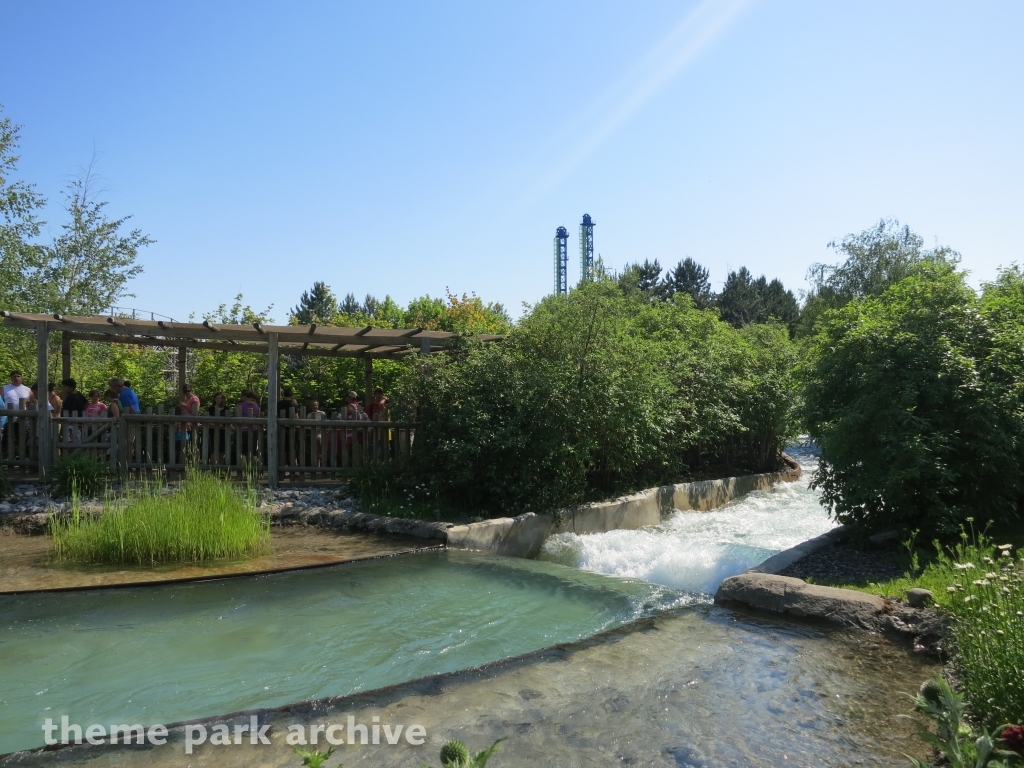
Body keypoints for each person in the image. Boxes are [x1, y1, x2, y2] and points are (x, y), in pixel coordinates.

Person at [2, 371, 32, 455]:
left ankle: (25, 457)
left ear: (21, 378)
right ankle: (6, 458)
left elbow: (32, 402)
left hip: (22, 418)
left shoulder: (27, 389)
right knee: (6, 439)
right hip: (9, 418)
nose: (16, 378)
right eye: (14, 376)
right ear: (11, 378)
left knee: (23, 440)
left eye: (18, 376)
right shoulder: (5, 388)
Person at [175, 383, 201, 461]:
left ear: (191, 390)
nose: (187, 393)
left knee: (194, 444)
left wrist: (185, 407)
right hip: (186, 424)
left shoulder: (194, 399)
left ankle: (197, 462)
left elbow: (195, 412)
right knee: (186, 445)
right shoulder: (187, 399)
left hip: (192, 424)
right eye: (185, 391)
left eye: (188, 391)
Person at [206, 392, 230, 464]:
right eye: (217, 398)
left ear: (223, 399)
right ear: (214, 399)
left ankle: (221, 469)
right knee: (213, 450)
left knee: (222, 451)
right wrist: (215, 425)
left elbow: (229, 420)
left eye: (220, 398)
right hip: (212, 431)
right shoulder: (211, 409)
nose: (218, 400)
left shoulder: (226, 409)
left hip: (223, 431)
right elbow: (207, 420)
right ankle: (213, 469)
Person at [237, 389, 261, 463]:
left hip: (243, 430)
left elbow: (236, 417)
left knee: (243, 452)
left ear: (244, 396)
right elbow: (259, 417)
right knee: (253, 451)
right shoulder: (256, 406)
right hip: (255, 430)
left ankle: (243, 471)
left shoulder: (240, 405)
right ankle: (252, 471)